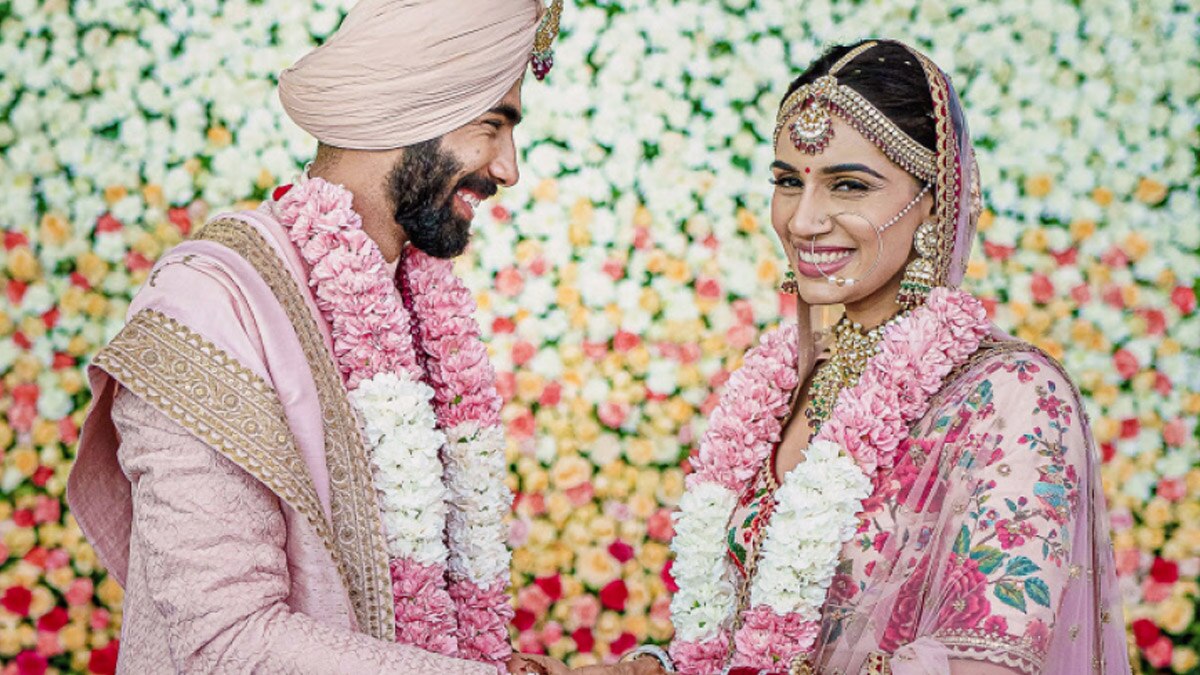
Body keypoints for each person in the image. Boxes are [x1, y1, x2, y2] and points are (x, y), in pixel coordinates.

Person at [594, 39, 1131, 675]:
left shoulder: (1012, 396)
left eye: (848, 185)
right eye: (788, 182)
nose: (803, 220)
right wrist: (659, 666)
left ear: (934, 200)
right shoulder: (789, 382)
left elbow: (988, 664)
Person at [66, 0, 565, 672]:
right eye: (491, 127)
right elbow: (228, 643)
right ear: (404, 110)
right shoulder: (209, 306)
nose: (508, 169)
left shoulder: (414, 306)